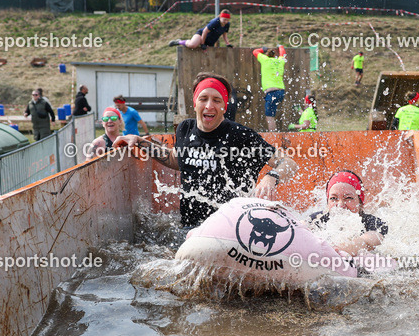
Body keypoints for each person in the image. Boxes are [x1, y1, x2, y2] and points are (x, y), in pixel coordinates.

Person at [115, 72, 298, 228]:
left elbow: (289, 163)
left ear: (224, 106)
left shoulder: (241, 135)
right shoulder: (185, 128)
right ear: (195, 103)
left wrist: (271, 177)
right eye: (203, 99)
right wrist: (139, 142)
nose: (209, 105)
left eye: (216, 100)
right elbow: (176, 159)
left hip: (230, 229)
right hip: (190, 226)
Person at [309, 170, 388, 256]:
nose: (340, 205)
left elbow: (368, 241)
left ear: (360, 202)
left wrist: (336, 251)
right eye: (333, 198)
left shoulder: (374, 223)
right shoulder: (316, 220)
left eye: (348, 198)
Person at [253, 45, 287, 132]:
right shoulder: (280, 61)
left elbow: (255, 52)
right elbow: (283, 54)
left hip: (271, 92)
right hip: (281, 92)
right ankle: (276, 132)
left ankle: (273, 135)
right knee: (274, 113)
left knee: (269, 116)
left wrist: (262, 49)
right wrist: (281, 47)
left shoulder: (265, 60)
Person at [169, 10, 233, 49]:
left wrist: (227, 43)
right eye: (224, 19)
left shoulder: (227, 24)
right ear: (220, 17)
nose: (226, 21)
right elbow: (205, 31)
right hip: (201, 35)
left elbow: (224, 34)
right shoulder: (215, 22)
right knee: (192, 45)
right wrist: (202, 44)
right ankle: (179, 41)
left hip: (209, 41)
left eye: (227, 20)